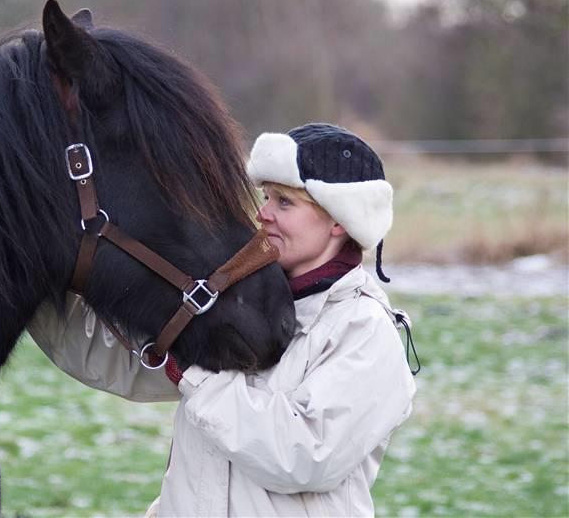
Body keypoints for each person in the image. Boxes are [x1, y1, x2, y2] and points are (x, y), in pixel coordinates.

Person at [28, 122, 417, 517]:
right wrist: (28, 283)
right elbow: (119, 362)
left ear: (339, 220)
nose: (263, 213)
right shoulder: (234, 302)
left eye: (285, 202)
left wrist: (193, 376)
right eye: (266, 197)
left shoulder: (365, 330)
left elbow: (305, 455)